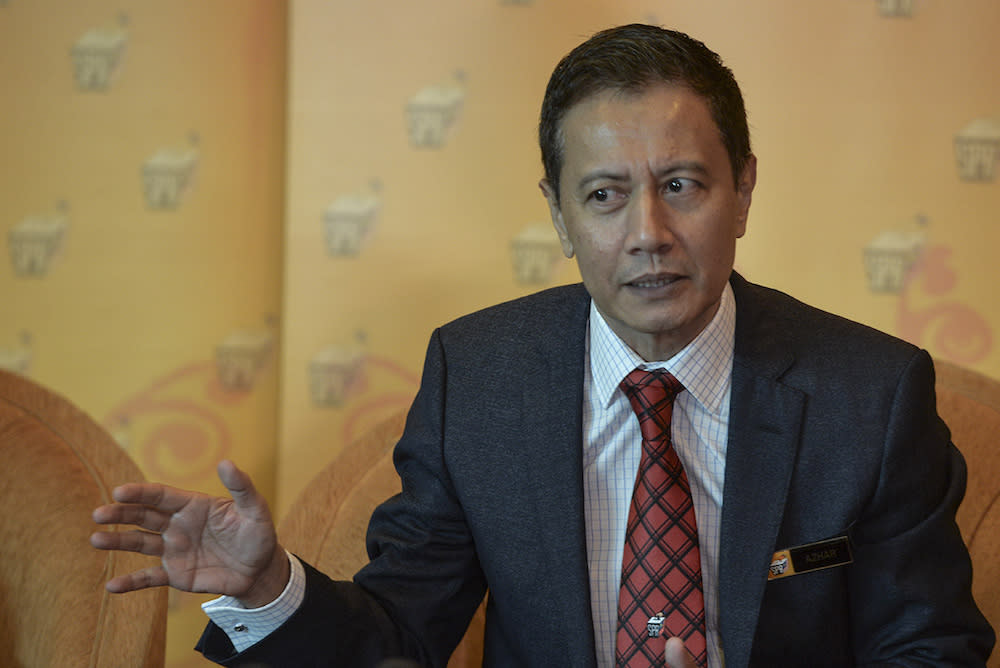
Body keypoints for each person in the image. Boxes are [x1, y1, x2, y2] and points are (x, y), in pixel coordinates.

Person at [91, 24, 995, 667]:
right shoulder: (479, 382)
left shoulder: (869, 397)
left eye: (682, 184)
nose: (648, 231)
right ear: (558, 214)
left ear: (745, 190)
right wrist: (265, 587)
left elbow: (931, 648)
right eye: (604, 195)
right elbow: (396, 640)